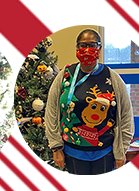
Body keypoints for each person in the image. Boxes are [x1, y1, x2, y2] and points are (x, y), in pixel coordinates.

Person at [45, 28, 133, 175]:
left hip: (105, 153)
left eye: (92, 45)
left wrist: (121, 151)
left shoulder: (112, 78)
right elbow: (52, 111)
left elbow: (126, 116)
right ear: (76, 48)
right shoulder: (65, 76)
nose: (87, 50)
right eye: (82, 45)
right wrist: (56, 148)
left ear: (99, 48)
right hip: (72, 153)